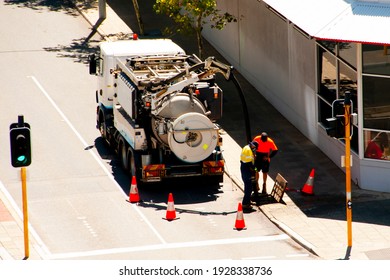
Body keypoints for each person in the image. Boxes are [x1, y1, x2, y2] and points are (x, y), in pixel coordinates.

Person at [240, 141, 258, 210]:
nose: (255, 149)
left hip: (244, 168)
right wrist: (256, 169)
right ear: (253, 146)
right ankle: (245, 204)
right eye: (255, 148)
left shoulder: (246, 147)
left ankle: (247, 201)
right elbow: (250, 164)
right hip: (246, 170)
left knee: (247, 186)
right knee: (249, 188)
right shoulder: (248, 150)